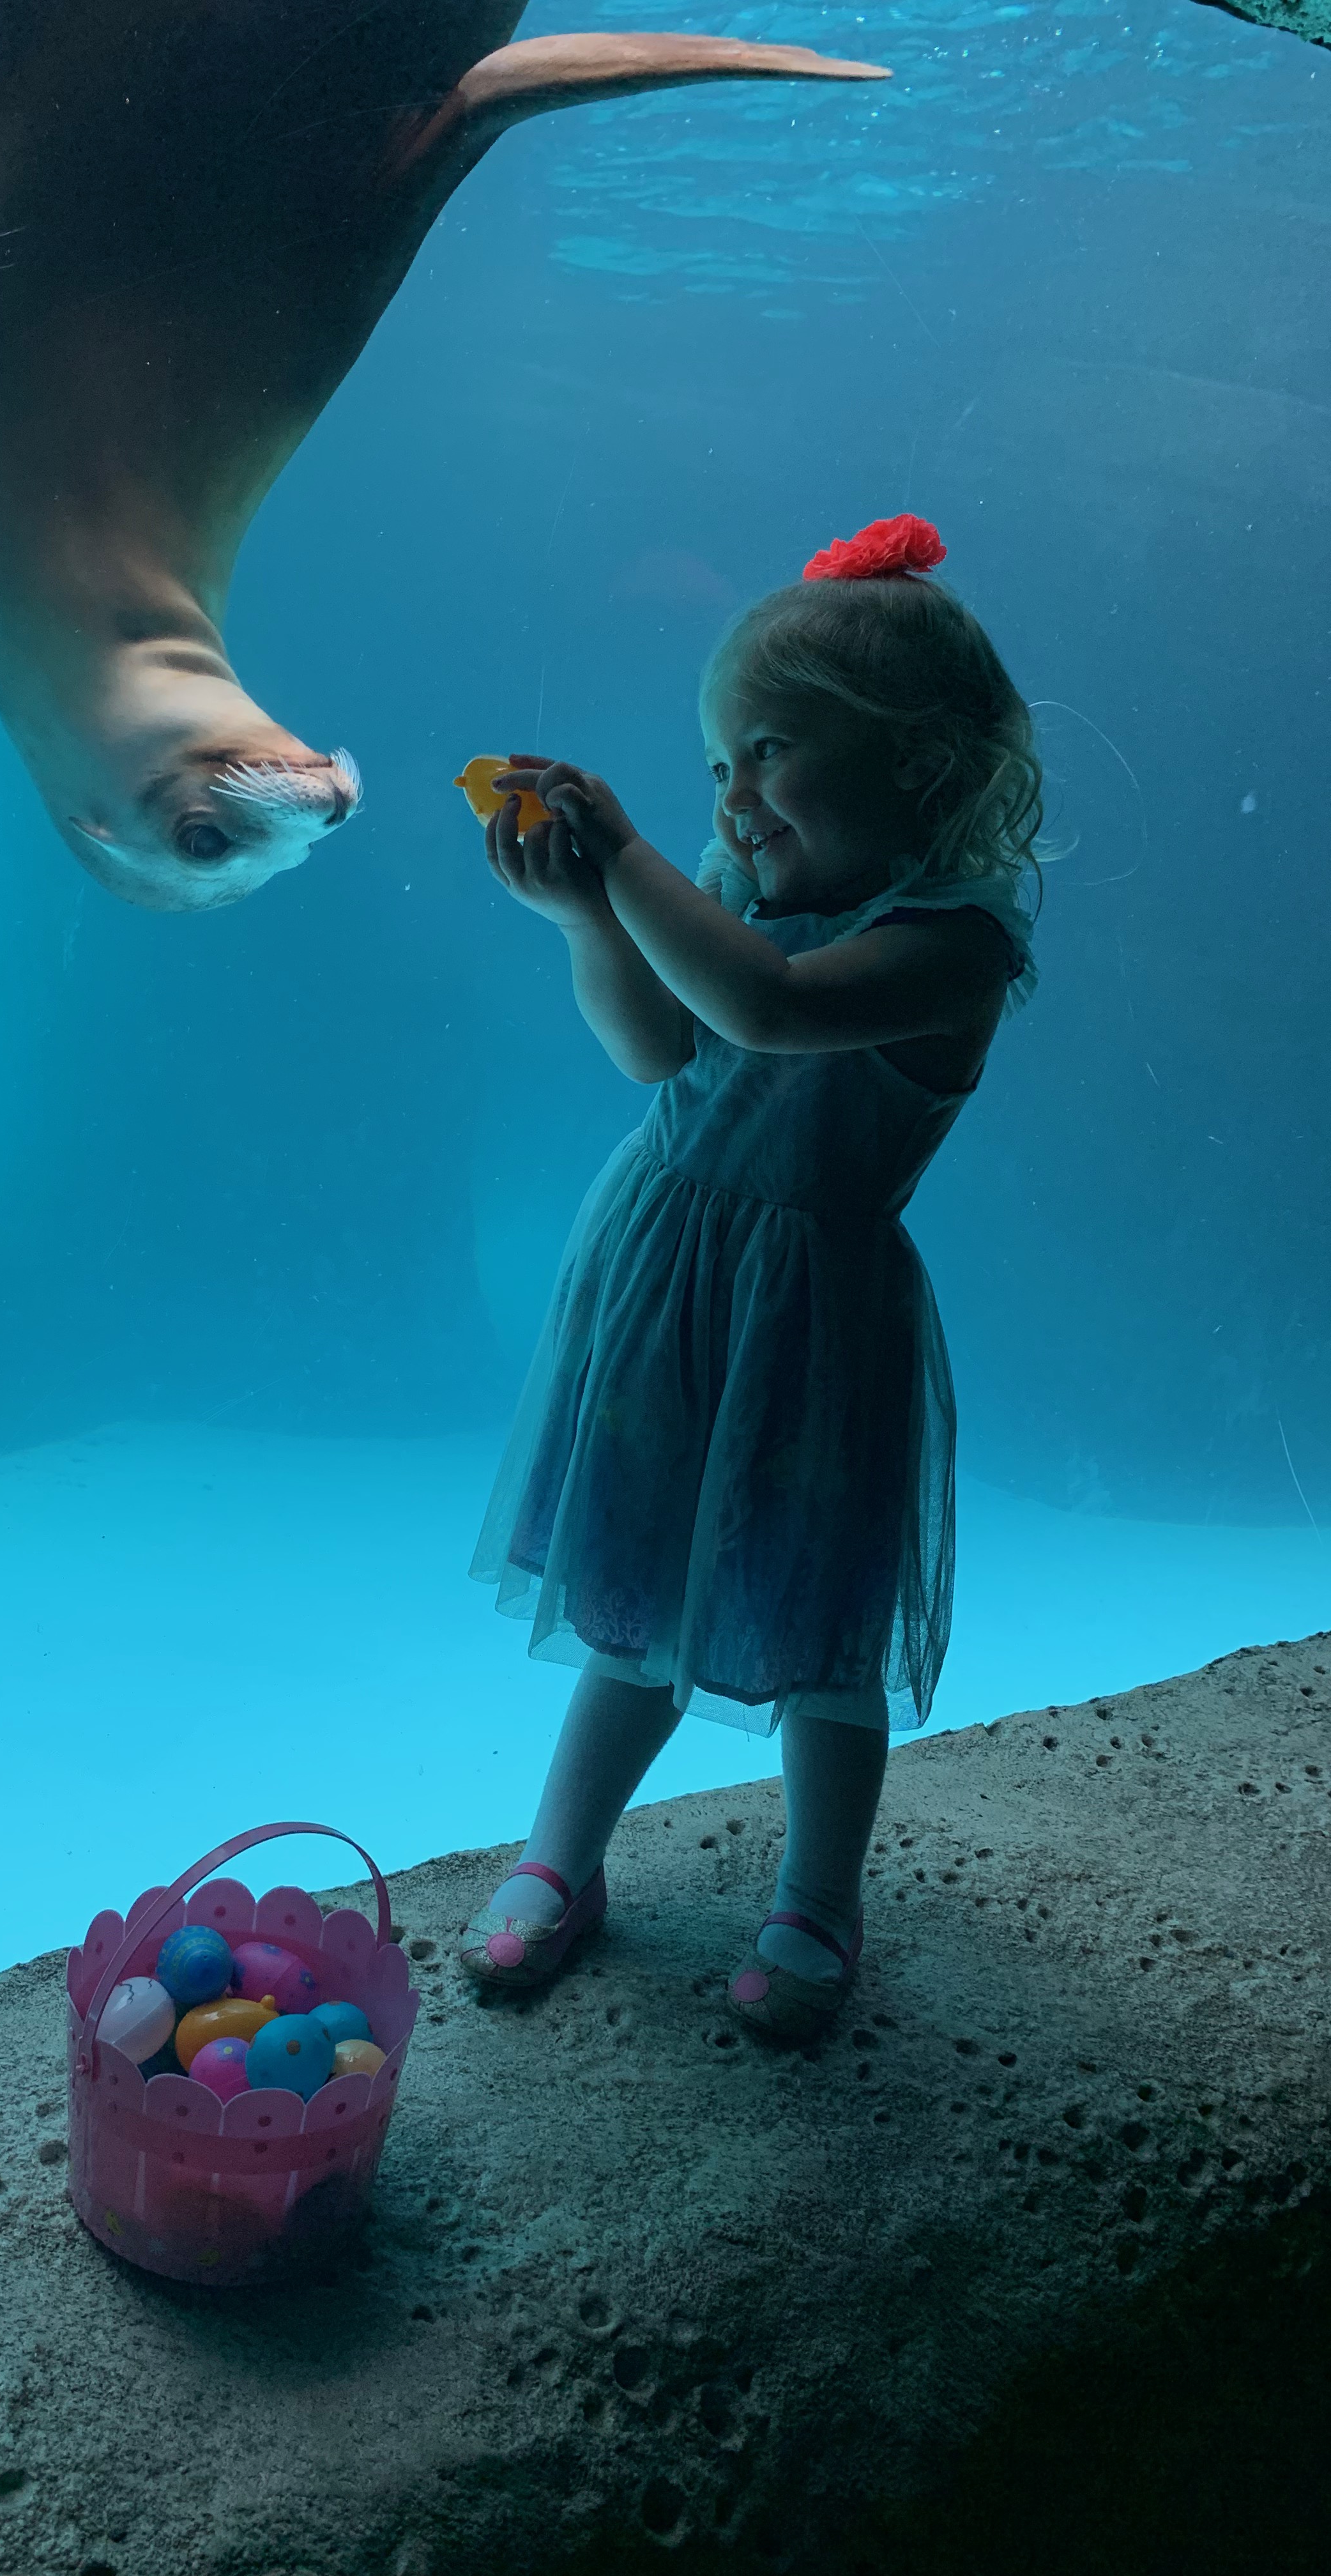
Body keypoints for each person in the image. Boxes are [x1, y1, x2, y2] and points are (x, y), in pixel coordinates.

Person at [0, 3, 884, 910]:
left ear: (91, 806)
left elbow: (450, 122)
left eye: (205, 839)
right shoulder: (75, 512)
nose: (319, 811)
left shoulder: (55, 489)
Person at [462, 514, 1043, 2042]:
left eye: (768, 752)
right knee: (632, 1598)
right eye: (719, 761)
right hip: (665, 1273)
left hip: (812, 1316)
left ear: (919, 765)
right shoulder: (733, 878)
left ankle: (817, 1904)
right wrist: (586, 912)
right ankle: (561, 1861)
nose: (732, 796)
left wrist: (634, 852)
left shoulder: (956, 945)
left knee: (817, 1633)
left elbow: (772, 1012)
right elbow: (662, 1050)